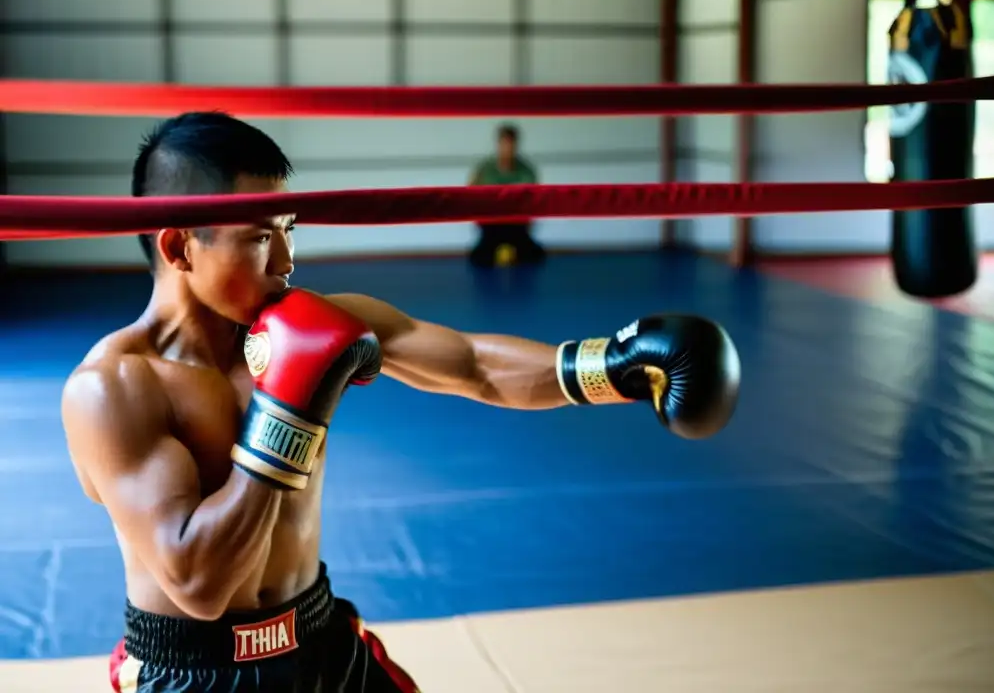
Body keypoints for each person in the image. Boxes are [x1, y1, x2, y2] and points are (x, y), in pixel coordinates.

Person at [60, 112, 740, 693]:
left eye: (289, 228)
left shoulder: (310, 322)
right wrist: (288, 410)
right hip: (199, 673)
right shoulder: (115, 389)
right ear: (180, 246)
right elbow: (198, 582)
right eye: (261, 236)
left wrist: (611, 368)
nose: (287, 259)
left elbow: (472, 366)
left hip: (319, 638)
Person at [467, 123, 547, 267]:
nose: (508, 149)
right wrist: (480, 222)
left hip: (516, 223)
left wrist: (527, 224)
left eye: (511, 144)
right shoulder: (484, 169)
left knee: (535, 256)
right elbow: (471, 193)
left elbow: (534, 201)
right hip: (492, 223)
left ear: (516, 145)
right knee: (479, 258)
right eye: (504, 144)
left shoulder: (527, 170)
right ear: (498, 144)